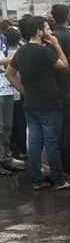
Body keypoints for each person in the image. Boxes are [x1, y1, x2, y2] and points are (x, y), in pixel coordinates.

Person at [5, 16, 70, 190]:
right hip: (49, 102)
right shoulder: (44, 51)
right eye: (47, 28)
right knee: (51, 142)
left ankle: (37, 180)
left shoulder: (21, 51)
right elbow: (65, 67)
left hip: (31, 103)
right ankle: (58, 180)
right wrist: (57, 45)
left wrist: (24, 90)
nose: (50, 31)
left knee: (35, 143)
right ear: (39, 31)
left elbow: (9, 74)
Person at [51, 4, 70, 176]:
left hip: (54, 88)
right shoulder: (69, 36)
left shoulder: (52, 36)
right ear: (68, 16)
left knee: (60, 130)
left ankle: (60, 164)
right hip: (68, 87)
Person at [0, 25, 21, 176]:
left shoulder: (3, 39)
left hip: (7, 88)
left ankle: (7, 157)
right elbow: (5, 61)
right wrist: (14, 59)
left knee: (7, 126)